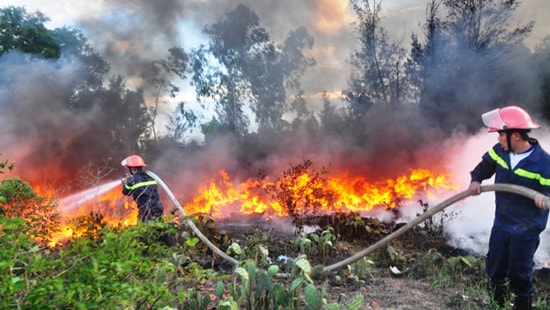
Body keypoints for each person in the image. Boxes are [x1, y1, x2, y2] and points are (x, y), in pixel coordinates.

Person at [468, 106, 550, 309]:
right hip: (502, 222)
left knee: (519, 272)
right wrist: (476, 179)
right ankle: (498, 304)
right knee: (495, 268)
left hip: (526, 228)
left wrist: (545, 197)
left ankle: (522, 305)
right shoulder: (500, 152)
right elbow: (484, 166)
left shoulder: (543, 163)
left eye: (500, 135)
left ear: (515, 136)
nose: (498, 140)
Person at [121, 155, 164, 222]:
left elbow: (125, 192)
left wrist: (125, 183)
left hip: (146, 211)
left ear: (133, 169)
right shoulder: (150, 177)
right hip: (158, 208)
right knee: (159, 229)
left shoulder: (132, 180)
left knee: (144, 231)